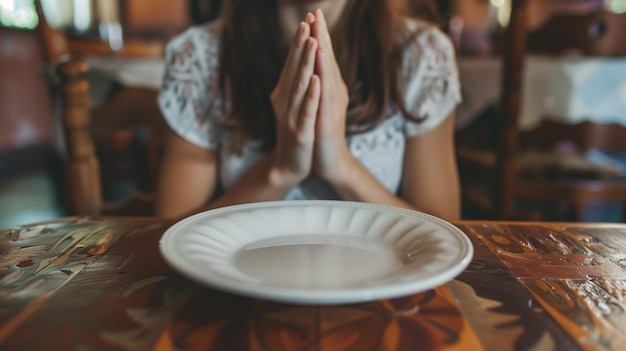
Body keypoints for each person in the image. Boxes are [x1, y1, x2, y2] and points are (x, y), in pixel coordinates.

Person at [155, 0, 462, 221]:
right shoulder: (199, 57)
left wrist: (342, 168)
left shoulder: (421, 54)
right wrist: (280, 170)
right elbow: (170, 230)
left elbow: (444, 227)